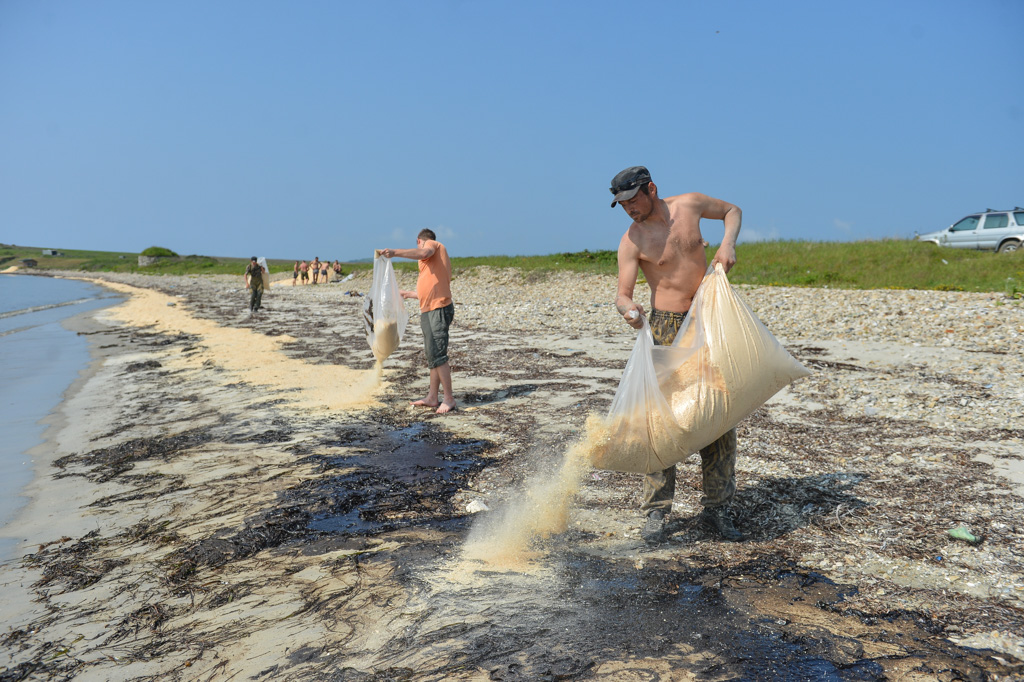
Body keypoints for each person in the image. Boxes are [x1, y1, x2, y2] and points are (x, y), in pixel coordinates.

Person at [610, 165, 744, 544]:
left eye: (633, 200)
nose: (629, 209)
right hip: (666, 326)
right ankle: (656, 513)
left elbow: (733, 211)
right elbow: (622, 293)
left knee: (718, 415)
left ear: (651, 189)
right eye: (622, 205)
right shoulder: (632, 239)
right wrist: (628, 310)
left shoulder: (690, 206)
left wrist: (727, 243)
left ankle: (718, 509)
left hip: (707, 318)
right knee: (661, 421)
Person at [379, 229, 456, 414]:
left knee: (438, 353)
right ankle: (432, 397)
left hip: (439, 309)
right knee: (432, 355)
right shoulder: (430, 263)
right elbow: (428, 289)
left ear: (419, 240)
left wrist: (395, 252)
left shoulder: (432, 245)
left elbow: (423, 252)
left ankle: (449, 398)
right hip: (428, 309)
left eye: (418, 244)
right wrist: (407, 294)